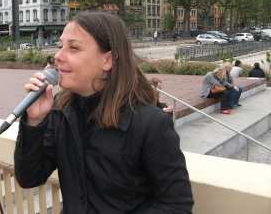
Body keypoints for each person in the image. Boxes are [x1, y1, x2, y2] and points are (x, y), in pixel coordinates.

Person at [15, 12, 193, 213]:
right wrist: (33, 123)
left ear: (107, 60)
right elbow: (29, 177)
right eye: (60, 46)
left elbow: (177, 205)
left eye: (73, 47)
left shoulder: (150, 123)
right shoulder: (61, 110)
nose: (58, 56)